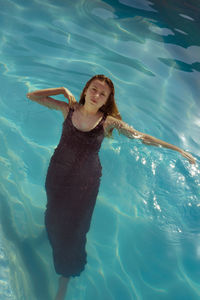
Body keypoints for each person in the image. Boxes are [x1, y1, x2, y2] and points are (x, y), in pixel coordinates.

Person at [27, 74, 195, 300]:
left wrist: (177, 149)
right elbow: (32, 96)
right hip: (57, 173)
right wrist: (62, 89)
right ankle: (46, 234)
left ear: (107, 101)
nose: (96, 95)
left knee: (76, 229)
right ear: (86, 90)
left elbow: (142, 137)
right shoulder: (69, 110)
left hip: (84, 183)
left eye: (103, 94)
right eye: (94, 89)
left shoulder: (108, 122)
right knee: (53, 209)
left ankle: (64, 277)